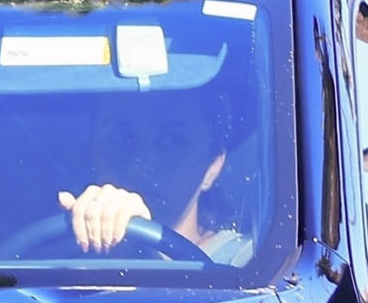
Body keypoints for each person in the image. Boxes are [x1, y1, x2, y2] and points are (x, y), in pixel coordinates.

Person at [55, 102, 253, 266]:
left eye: (171, 141)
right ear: (91, 153)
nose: (142, 163)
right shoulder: (55, 271)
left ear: (213, 165)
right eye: (119, 137)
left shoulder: (248, 267)